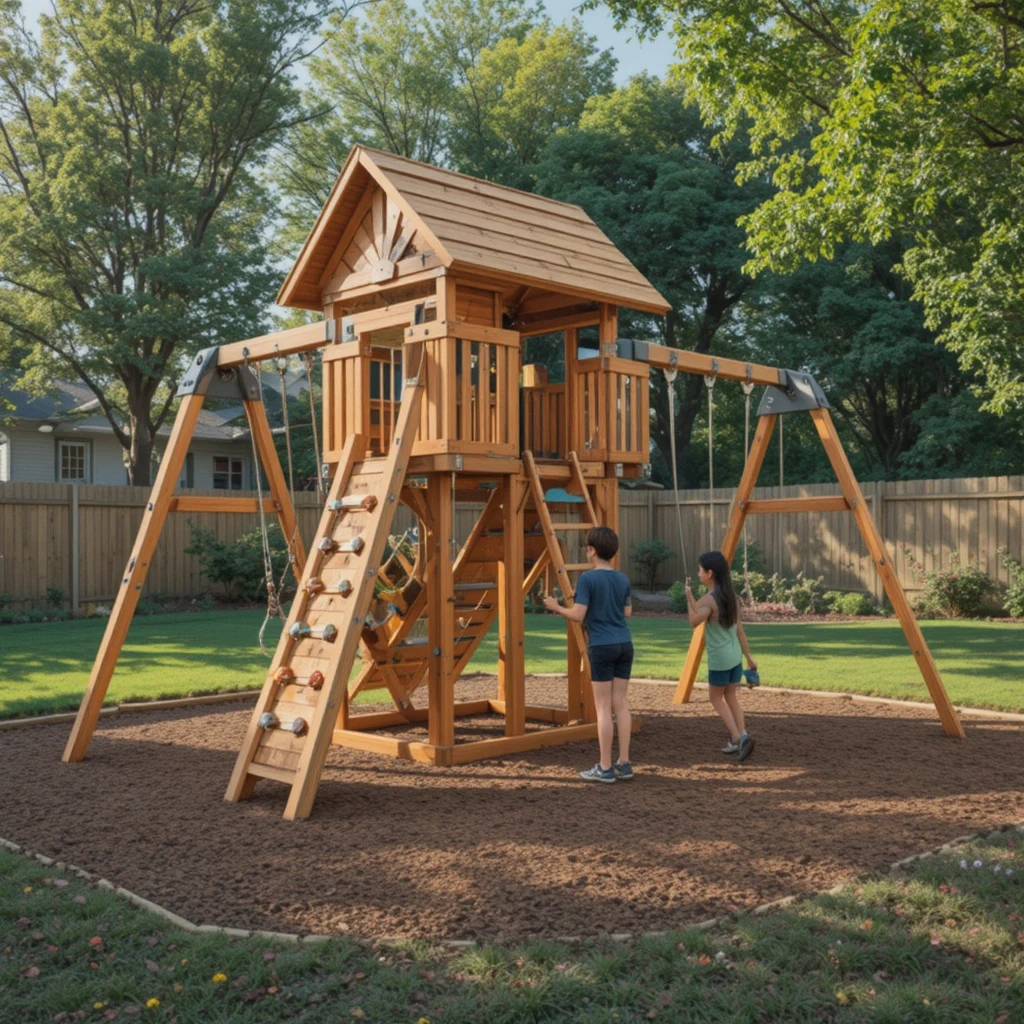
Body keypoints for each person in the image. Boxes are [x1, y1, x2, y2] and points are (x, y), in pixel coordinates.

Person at [544, 526, 633, 783]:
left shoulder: (588, 579)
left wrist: (556, 607)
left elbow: (578, 615)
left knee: (603, 707)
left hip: (602, 646)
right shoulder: (622, 578)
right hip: (625, 644)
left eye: (587, 547)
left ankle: (605, 768)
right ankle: (623, 764)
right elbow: (627, 613)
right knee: (622, 704)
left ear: (592, 550)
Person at [685, 550, 758, 762]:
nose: (698, 573)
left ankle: (737, 738)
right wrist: (749, 659)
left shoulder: (710, 599)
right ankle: (742, 735)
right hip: (735, 656)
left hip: (720, 659)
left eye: (700, 570)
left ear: (710, 573)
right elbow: (740, 631)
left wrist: (687, 601)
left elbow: (694, 620)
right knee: (731, 696)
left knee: (715, 698)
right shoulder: (732, 598)